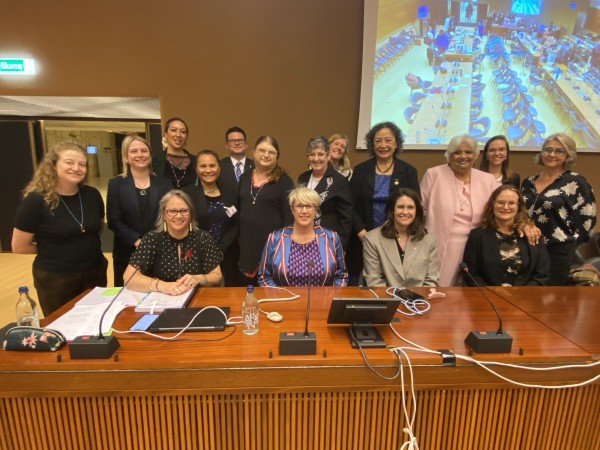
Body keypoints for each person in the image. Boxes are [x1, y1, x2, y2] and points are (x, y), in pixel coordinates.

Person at [12, 141, 107, 315]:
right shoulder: (36, 200)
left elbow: (97, 227)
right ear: (53, 165)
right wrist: (53, 249)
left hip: (95, 271)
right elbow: (19, 246)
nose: (76, 168)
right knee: (62, 327)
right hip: (56, 278)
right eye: (69, 162)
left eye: (82, 164)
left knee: (96, 322)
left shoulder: (91, 195)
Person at [348, 121, 419, 284]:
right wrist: (362, 233)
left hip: (398, 239)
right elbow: (350, 206)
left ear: (396, 143)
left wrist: (399, 234)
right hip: (363, 239)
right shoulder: (360, 170)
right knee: (362, 287)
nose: (383, 145)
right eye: (378, 141)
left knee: (393, 285)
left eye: (388, 140)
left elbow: (414, 206)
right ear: (372, 145)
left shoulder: (408, 171)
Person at [420, 134, 496, 286]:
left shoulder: (488, 180)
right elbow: (420, 209)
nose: (463, 156)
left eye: (468, 152)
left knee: (472, 292)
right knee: (440, 287)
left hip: (476, 245)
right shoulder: (433, 174)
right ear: (449, 155)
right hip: (441, 243)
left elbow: (498, 212)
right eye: (457, 152)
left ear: (476, 155)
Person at [521, 133, 596, 285]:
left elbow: (588, 220)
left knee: (551, 300)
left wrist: (570, 247)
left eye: (559, 151)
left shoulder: (576, 182)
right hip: (526, 249)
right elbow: (520, 213)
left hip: (557, 252)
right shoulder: (528, 182)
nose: (552, 154)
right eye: (548, 149)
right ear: (541, 152)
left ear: (568, 155)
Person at [123, 190, 223, 294]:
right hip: (160, 301)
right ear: (164, 214)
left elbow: (217, 276)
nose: (179, 216)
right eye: (172, 211)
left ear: (191, 214)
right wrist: (162, 286)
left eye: (184, 211)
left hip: (196, 299)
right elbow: (129, 278)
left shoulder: (203, 238)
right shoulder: (152, 239)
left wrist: (198, 279)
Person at [107, 136, 172, 285]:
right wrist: (137, 241)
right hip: (126, 252)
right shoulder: (116, 184)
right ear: (126, 156)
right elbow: (113, 220)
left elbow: (170, 216)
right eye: (134, 151)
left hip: (159, 252)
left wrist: (153, 243)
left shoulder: (165, 184)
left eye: (144, 151)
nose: (140, 155)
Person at [258, 186, 347, 287]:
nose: (304, 211)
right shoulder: (275, 238)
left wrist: (328, 298)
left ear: (316, 210)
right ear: (292, 209)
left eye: (309, 206)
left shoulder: (332, 237)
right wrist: (280, 298)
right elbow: (264, 276)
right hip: (285, 300)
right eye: (299, 206)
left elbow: (342, 276)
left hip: (323, 301)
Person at [463, 185, 550, 286]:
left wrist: (521, 294)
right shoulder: (477, 236)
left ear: (518, 207)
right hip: (489, 297)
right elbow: (471, 274)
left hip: (526, 298)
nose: (505, 207)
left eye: (512, 203)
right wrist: (492, 293)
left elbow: (542, 274)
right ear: (492, 205)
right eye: (501, 202)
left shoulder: (532, 234)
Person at [238, 136, 295, 284]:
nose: (266, 155)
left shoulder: (284, 182)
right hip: (246, 246)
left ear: (277, 156)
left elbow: (289, 220)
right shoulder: (244, 178)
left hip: (272, 248)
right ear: (253, 152)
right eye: (262, 150)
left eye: (271, 152)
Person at [182, 149, 239, 286]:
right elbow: (183, 224)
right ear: (196, 169)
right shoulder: (187, 194)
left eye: (212, 165)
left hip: (226, 255)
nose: (208, 170)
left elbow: (236, 224)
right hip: (196, 255)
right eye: (203, 166)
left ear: (219, 168)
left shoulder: (231, 192)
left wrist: (220, 248)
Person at [362, 188, 439, 287]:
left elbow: (431, 281)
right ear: (392, 210)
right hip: (386, 299)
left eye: (410, 207)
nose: (405, 212)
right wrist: (395, 301)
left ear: (417, 211)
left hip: (419, 300)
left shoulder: (429, 240)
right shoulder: (372, 239)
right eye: (400, 207)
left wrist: (415, 301)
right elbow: (374, 281)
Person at [297, 136, 353, 248]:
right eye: (312, 154)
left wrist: (340, 246)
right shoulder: (303, 178)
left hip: (327, 242)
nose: (316, 158)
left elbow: (346, 218)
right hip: (302, 238)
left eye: (320, 154)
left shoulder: (339, 181)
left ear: (327, 156)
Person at [152, 117, 197, 188]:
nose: (178, 135)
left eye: (183, 132)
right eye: (173, 130)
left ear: (186, 136)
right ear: (166, 134)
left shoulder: (196, 161)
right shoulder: (154, 161)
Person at [219, 126, 254, 192]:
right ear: (227, 145)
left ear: (246, 144)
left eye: (240, 140)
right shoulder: (219, 166)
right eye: (232, 141)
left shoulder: (255, 166)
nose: (237, 143)